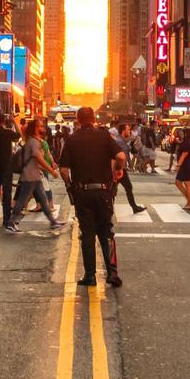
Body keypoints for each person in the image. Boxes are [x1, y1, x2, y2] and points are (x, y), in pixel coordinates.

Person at [59, 107, 127, 287]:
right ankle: (112, 272)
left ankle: (90, 275)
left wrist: (69, 185)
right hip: (103, 192)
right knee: (106, 232)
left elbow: (64, 169)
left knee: (87, 233)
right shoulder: (104, 137)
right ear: (93, 119)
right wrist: (118, 170)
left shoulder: (72, 140)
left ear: (78, 120)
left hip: (82, 192)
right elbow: (120, 155)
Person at [11, 119, 65, 231]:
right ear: (35, 128)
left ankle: (53, 222)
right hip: (30, 176)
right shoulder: (33, 141)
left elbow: (35, 160)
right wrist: (51, 170)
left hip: (35, 176)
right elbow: (37, 157)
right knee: (22, 200)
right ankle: (11, 222)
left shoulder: (34, 140)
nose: (43, 128)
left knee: (43, 200)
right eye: (40, 126)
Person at [173, 126, 190, 210]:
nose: (181, 134)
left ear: (186, 133)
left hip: (187, 164)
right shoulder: (188, 141)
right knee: (180, 183)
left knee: (186, 183)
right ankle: (189, 200)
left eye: (183, 133)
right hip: (188, 163)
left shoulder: (188, 142)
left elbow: (184, 154)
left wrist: (178, 165)